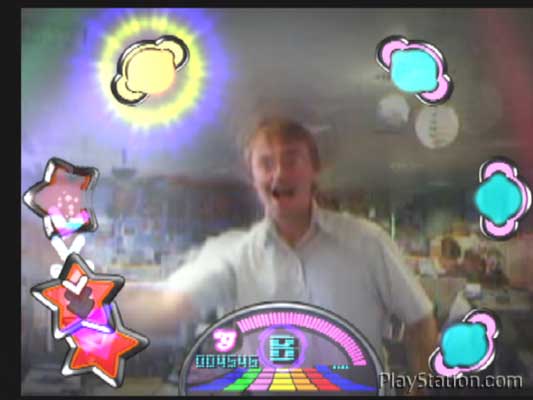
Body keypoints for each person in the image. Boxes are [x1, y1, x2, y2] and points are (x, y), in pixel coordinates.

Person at [120, 117, 438, 384]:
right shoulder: (231, 254)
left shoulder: (367, 242)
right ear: (253, 176)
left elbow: (420, 321)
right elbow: (168, 307)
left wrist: (421, 391)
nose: (279, 173)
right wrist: (97, 300)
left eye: (292, 159)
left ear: (315, 169)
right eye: (266, 163)